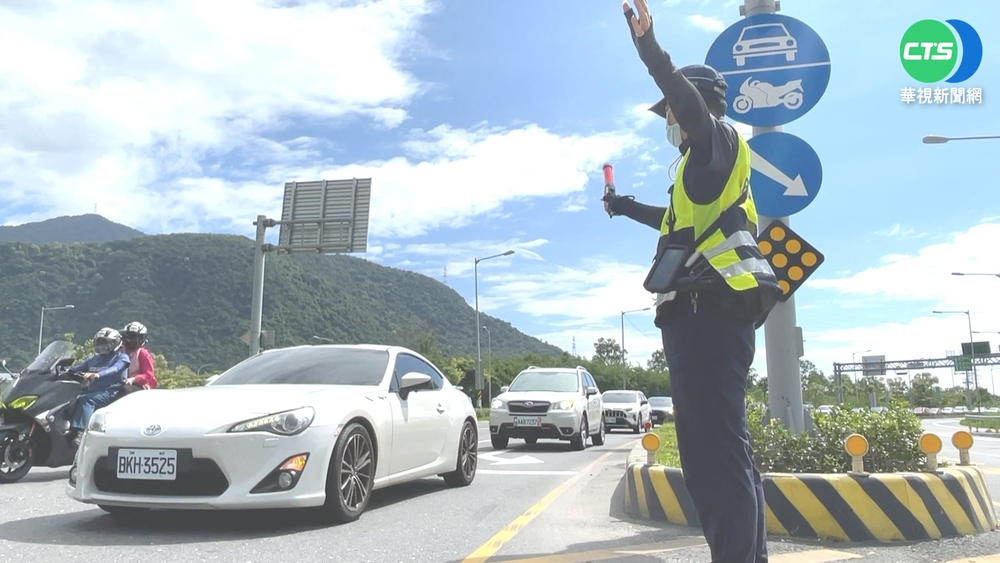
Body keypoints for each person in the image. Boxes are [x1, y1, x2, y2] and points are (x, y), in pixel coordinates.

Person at [603, 2, 782, 562]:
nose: (669, 121)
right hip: (704, 318)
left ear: (693, 108)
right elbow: (675, 224)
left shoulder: (717, 142)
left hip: (710, 315)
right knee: (727, 454)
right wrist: (624, 206)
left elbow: (692, 110)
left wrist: (651, 54)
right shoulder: (699, 173)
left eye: (672, 111)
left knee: (713, 462)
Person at [67, 327, 130, 446]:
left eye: (105, 343)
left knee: (87, 400)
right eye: (100, 343)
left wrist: (98, 374)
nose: (102, 346)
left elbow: (116, 368)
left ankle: (82, 433)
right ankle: (70, 429)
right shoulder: (94, 359)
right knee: (71, 399)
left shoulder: (121, 357)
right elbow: (76, 369)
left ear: (115, 343)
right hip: (92, 390)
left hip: (110, 392)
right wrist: (63, 371)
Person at [119, 321, 157, 394]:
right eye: (128, 336)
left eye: (133, 337)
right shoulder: (120, 351)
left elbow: (149, 375)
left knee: (124, 391)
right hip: (121, 383)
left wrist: (134, 379)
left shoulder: (143, 353)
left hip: (139, 386)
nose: (130, 340)